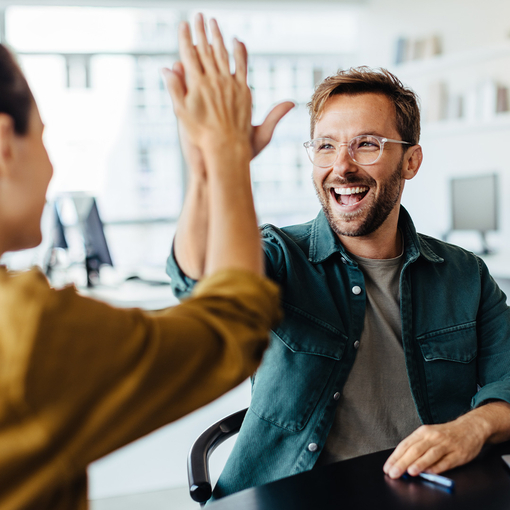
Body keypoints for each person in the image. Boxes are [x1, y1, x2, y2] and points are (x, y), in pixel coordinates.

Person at [167, 62, 510, 500]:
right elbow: (197, 281)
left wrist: (473, 427)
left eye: (366, 144)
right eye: (326, 146)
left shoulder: (465, 275)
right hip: (288, 495)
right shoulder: (279, 256)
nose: (342, 167)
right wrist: (209, 169)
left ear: (411, 161)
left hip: (418, 494)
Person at [0, 15, 282, 510]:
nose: (51, 166)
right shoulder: (22, 329)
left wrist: (209, 171)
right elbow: (231, 325)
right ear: (5, 144)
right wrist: (227, 150)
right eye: (42, 137)